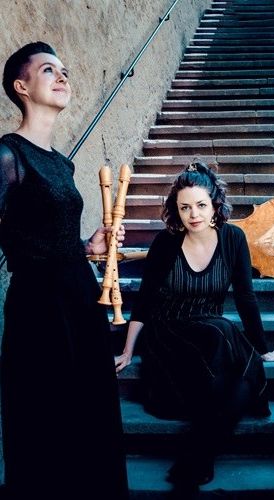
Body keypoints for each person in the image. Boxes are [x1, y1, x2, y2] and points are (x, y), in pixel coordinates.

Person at [0, 42, 129, 499]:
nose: (62, 77)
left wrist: (87, 247)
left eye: (65, 71)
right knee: (48, 418)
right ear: (21, 87)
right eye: (48, 70)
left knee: (89, 415)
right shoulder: (8, 154)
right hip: (39, 305)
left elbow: (48, 235)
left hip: (79, 295)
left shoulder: (61, 163)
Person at [115, 161, 274, 487]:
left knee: (234, 350)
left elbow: (246, 298)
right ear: (176, 210)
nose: (193, 214)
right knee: (226, 339)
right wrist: (128, 351)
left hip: (210, 332)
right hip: (169, 331)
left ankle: (198, 456)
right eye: (184, 207)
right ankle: (202, 453)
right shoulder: (166, 243)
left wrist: (262, 348)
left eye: (200, 205)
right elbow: (145, 301)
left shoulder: (233, 239)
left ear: (215, 205)